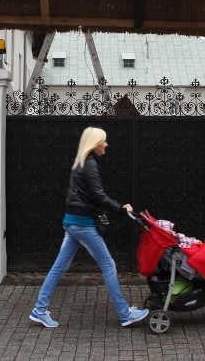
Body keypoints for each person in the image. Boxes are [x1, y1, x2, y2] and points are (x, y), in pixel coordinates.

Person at [28, 127, 149, 329]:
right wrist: (122, 209)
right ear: (95, 144)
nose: (107, 144)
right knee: (109, 265)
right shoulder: (90, 164)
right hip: (82, 224)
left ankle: (40, 310)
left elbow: (90, 196)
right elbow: (99, 195)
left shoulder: (81, 162)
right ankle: (125, 314)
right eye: (104, 141)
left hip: (73, 221)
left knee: (59, 267)